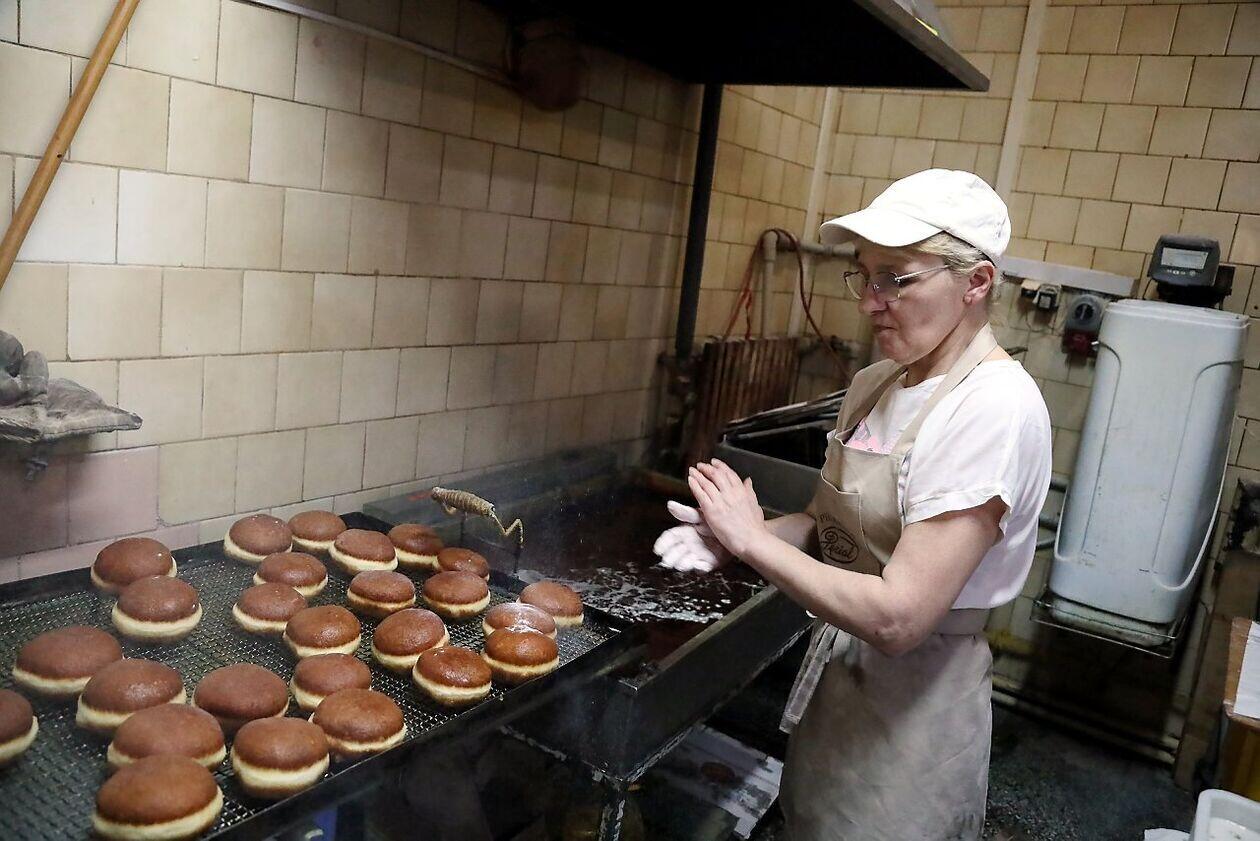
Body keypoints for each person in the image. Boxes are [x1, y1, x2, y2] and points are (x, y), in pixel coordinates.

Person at [655, 169, 1052, 840]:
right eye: (864, 277)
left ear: (976, 282)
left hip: (915, 708)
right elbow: (823, 525)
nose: (870, 303)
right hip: (840, 685)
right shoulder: (875, 385)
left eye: (895, 279)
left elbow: (900, 618)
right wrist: (733, 536)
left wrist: (753, 542)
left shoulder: (991, 409)